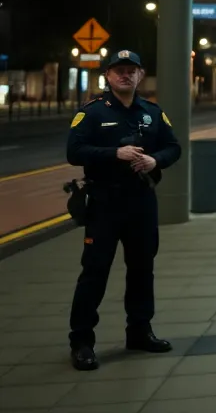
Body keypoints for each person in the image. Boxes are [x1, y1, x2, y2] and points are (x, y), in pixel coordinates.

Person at [65, 49, 181, 371]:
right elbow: (74, 151)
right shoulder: (92, 113)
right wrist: (114, 153)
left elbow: (173, 147)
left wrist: (156, 160)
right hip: (105, 203)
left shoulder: (152, 112)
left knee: (142, 268)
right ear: (108, 75)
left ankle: (139, 331)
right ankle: (81, 342)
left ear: (140, 75)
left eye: (131, 70)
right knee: (95, 271)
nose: (125, 75)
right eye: (119, 70)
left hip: (142, 202)